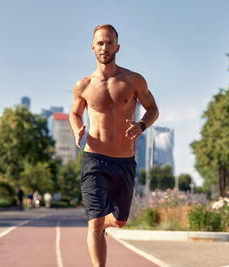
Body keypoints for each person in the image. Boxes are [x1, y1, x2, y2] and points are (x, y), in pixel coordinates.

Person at [69, 24, 159, 267]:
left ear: (117, 47)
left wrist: (141, 126)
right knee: (95, 222)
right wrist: (77, 128)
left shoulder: (133, 80)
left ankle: (103, 225)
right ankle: (97, 231)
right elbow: (74, 114)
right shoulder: (83, 85)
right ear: (92, 47)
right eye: (100, 43)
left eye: (109, 42)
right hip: (94, 159)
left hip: (124, 161)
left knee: (120, 221)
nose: (104, 47)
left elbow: (153, 109)